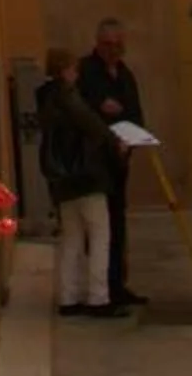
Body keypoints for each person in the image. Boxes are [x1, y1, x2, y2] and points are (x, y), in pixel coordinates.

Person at [35, 46, 126, 319]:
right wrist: (115, 142)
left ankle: (68, 297)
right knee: (100, 236)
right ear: (65, 70)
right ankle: (99, 298)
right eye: (74, 69)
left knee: (72, 239)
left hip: (62, 180)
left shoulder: (44, 97)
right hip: (86, 176)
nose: (76, 74)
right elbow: (91, 125)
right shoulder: (68, 96)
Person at [77, 16, 147, 308]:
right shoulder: (86, 72)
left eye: (118, 45)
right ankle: (100, 289)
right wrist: (103, 111)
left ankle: (118, 284)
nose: (113, 50)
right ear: (97, 43)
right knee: (98, 228)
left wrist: (131, 139)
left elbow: (135, 112)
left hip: (119, 162)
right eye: (107, 44)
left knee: (117, 223)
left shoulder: (125, 74)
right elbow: (82, 114)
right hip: (95, 163)